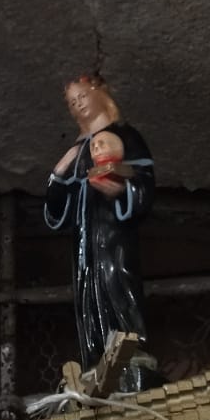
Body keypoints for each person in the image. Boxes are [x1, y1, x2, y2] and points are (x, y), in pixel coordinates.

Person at [42, 74, 158, 392]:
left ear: (100, 93)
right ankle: (96, 357)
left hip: (114, 231)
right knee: (87, 292)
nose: (77, 103)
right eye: (71, 102)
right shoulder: (79, 151)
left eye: (81, 95)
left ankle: (131, 349)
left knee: (116, 279)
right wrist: (61, 169)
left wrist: (118, 190)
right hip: (85, 236)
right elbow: (58, 204)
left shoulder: (126, 136)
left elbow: (143, 182)